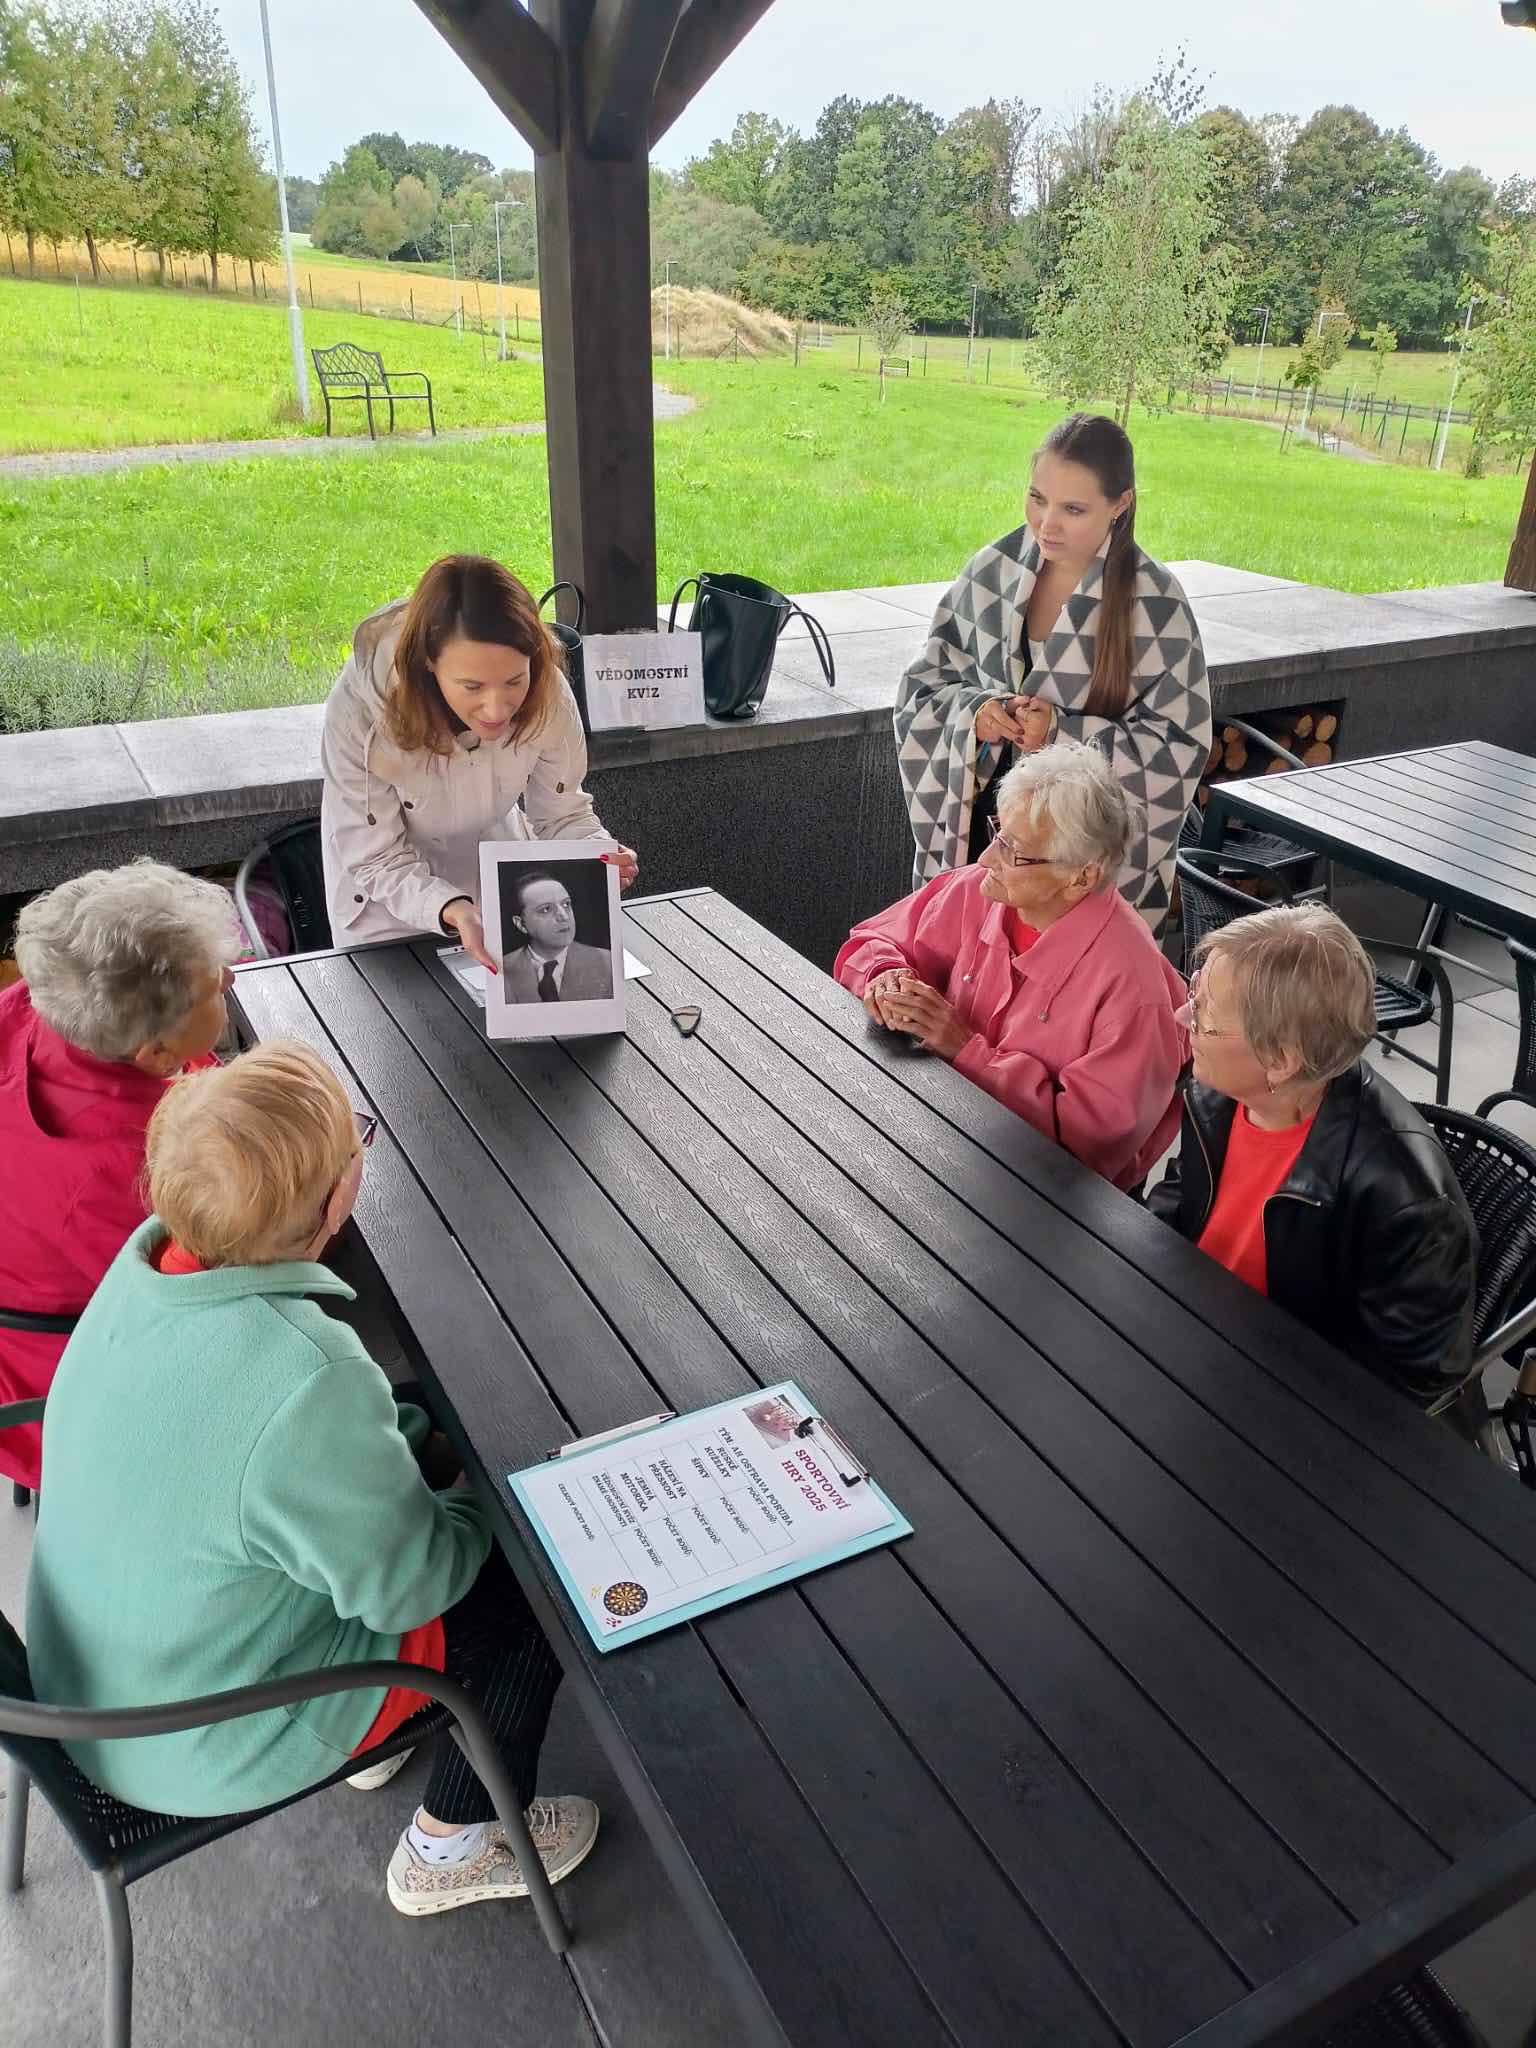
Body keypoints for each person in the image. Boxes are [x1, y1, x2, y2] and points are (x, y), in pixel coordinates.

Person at [26, 1040, 598, 1915]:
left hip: (95, 1689)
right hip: (203, 1738)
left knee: (410, 1431)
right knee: (542, 1579)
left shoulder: (144, 1267)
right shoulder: (305, 1371)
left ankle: (380, 1733)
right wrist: (490, 1495)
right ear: (337, 1198)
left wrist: (412, 1445)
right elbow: (416, 1589)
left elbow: (271, 1463)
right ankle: (455, 1842)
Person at [894, 411, 1211, 934]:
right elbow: (924, 690)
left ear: (1120, 505)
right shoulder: (991, 572)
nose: (1047, 524)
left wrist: (1062, 735)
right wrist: (977, 714)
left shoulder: (1157, 605)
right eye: (1037, 498)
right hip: (984, 846)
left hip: (1076, 869)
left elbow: (1177, 750)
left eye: (1073, 509)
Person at [1150, 904, 1476, 1404]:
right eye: (1195, 993)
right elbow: (1177, 1202)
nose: (1182, 1016)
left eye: (1205, 1016)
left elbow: (1410, 1385)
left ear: (1280, 1060)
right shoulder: (1217, 1098)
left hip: (1279, 1396)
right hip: (1191, 1337)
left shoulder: (1409, 1203)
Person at [835, 740, 1188, 1191]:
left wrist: (966, 1049)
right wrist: (885, 976)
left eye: (1013, 850)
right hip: (943, 1134)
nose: (987, 858)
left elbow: (1086, 1153)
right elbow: (870, 942)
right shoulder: (978, 890)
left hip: (1048, 1200)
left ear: (1081, 876)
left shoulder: (1133, 990)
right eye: (998, 833)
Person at [0, 860, 238, 1493]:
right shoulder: (139, 1164)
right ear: (154, 1054)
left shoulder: (38, 1004)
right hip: (82, 1389)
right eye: (213, 988)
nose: (231, 978)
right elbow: (214, 1300)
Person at [321, 553, 638, 975]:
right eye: (471, 686)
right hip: (385, 908)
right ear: (428, 662)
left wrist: (596, 854)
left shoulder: (548, 692)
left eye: (514, 681)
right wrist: (450, 907)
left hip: (499, 884)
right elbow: (376, 858)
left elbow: (562, 813)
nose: (496, 708)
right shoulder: (361, 711)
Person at [500, 869, 614, 1003]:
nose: (564, 916)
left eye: (566, 904)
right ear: (521, 924)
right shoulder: (501, 969)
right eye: (546, 909)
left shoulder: (607, 962)